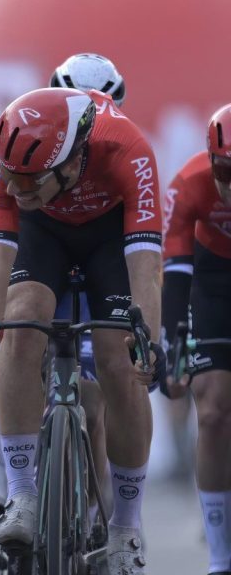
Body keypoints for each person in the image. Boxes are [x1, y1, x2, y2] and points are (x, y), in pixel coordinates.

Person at [0, 87, 162, 573]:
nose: (15, 190)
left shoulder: (128, 149)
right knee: (18, 326)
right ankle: (23, 498)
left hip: (109, 235)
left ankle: (125, 526)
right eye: (10, 178)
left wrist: (149, 340)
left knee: (118, 361)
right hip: (43, 235)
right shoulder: (9, 157)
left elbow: (146, 267)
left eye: (29, 181)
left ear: (73, 161)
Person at [160, 104, 231, 575]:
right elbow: (176, 271)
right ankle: (221, 556)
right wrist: (172, 345)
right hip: (212, 279)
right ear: (210, 160)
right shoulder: (190, 182)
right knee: (211, 409)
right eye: (227, 171)